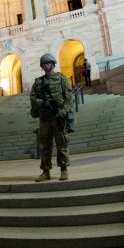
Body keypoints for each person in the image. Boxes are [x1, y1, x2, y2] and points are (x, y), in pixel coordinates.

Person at [30, 52, 74, 181]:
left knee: (62, 144)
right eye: (44, 64)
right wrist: (42, 102)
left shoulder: (61, 79)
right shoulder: (38, 82)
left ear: (53, 64)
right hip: (45, 119)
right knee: (44, 146)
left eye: (48, 63)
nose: (46, 65)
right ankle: (45, 171)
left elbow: (69, 98)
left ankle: (64, 169)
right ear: (42, 66)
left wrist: (64, 111)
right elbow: (33, 99)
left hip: (59, 117)